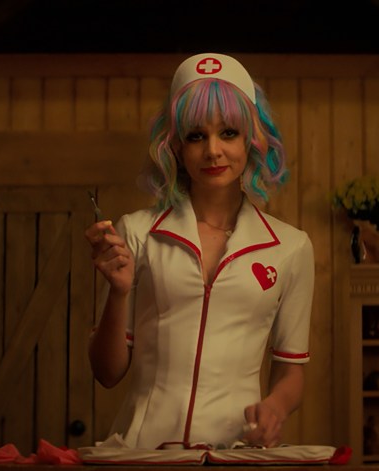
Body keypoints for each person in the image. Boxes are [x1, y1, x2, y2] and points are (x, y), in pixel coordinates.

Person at [85, 53, 315, 450]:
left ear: (251, 140)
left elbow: (290, 370)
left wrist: (275, 408)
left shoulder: (291, 248)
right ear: (175, 146)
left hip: (238, 453)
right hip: (144, 454)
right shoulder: (136, 234)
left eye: (228, 133)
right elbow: (107, 373)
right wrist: (119, 292)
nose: (213, 150)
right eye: (196, 135)